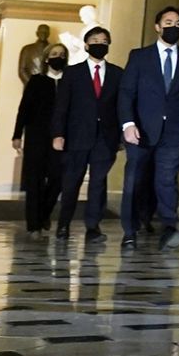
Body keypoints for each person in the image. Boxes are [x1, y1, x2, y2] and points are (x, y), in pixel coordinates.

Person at [118, 7, 179, 252]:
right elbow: (126, 93)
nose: (173, 26)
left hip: (174, 132)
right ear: (157, 26)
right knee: (134, 181)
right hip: (141, 131)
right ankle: (130, 231)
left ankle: (169, 228)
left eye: (177, 22)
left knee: (167, 181)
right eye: (168, 22)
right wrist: (127, 124)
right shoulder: (139, 57)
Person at [51, 27, 122, 243]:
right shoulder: (73, 73)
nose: (100, 43)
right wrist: (58, 134)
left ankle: (93, 227)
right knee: (72, 182)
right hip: (77, 136)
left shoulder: (118, 74)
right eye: (95, 40)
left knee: (99, 183)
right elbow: (61, 106)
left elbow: (122, 106)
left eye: (104, 40)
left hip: (105, 137)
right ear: (86, 45)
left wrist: (121, 135)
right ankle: (63, 224)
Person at [13, 43, 68, 237]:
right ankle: (33, 225)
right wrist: (17, 135)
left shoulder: (70, 82)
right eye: (54, 54)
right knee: (34, 180)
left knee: (57, 178)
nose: (58, 57)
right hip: (36, 136)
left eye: (61, 54)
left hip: (62, 138)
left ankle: (43, 213)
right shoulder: (36, 81)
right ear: (46, 59)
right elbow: (24, 109)